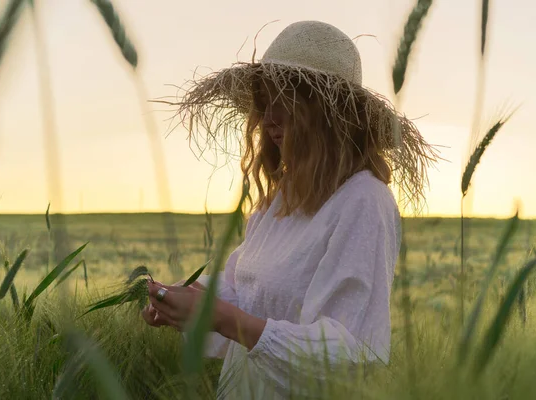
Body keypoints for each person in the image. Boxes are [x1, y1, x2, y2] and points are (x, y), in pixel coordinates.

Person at [142, 20, 437, 399]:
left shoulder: (364, 201)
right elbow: (240, 288)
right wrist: (181, 301)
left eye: (286, 102)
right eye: (265, 103)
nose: (268, 120)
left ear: (329, 113)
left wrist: (221, 318)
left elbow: (352, 354)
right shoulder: (280, 201)